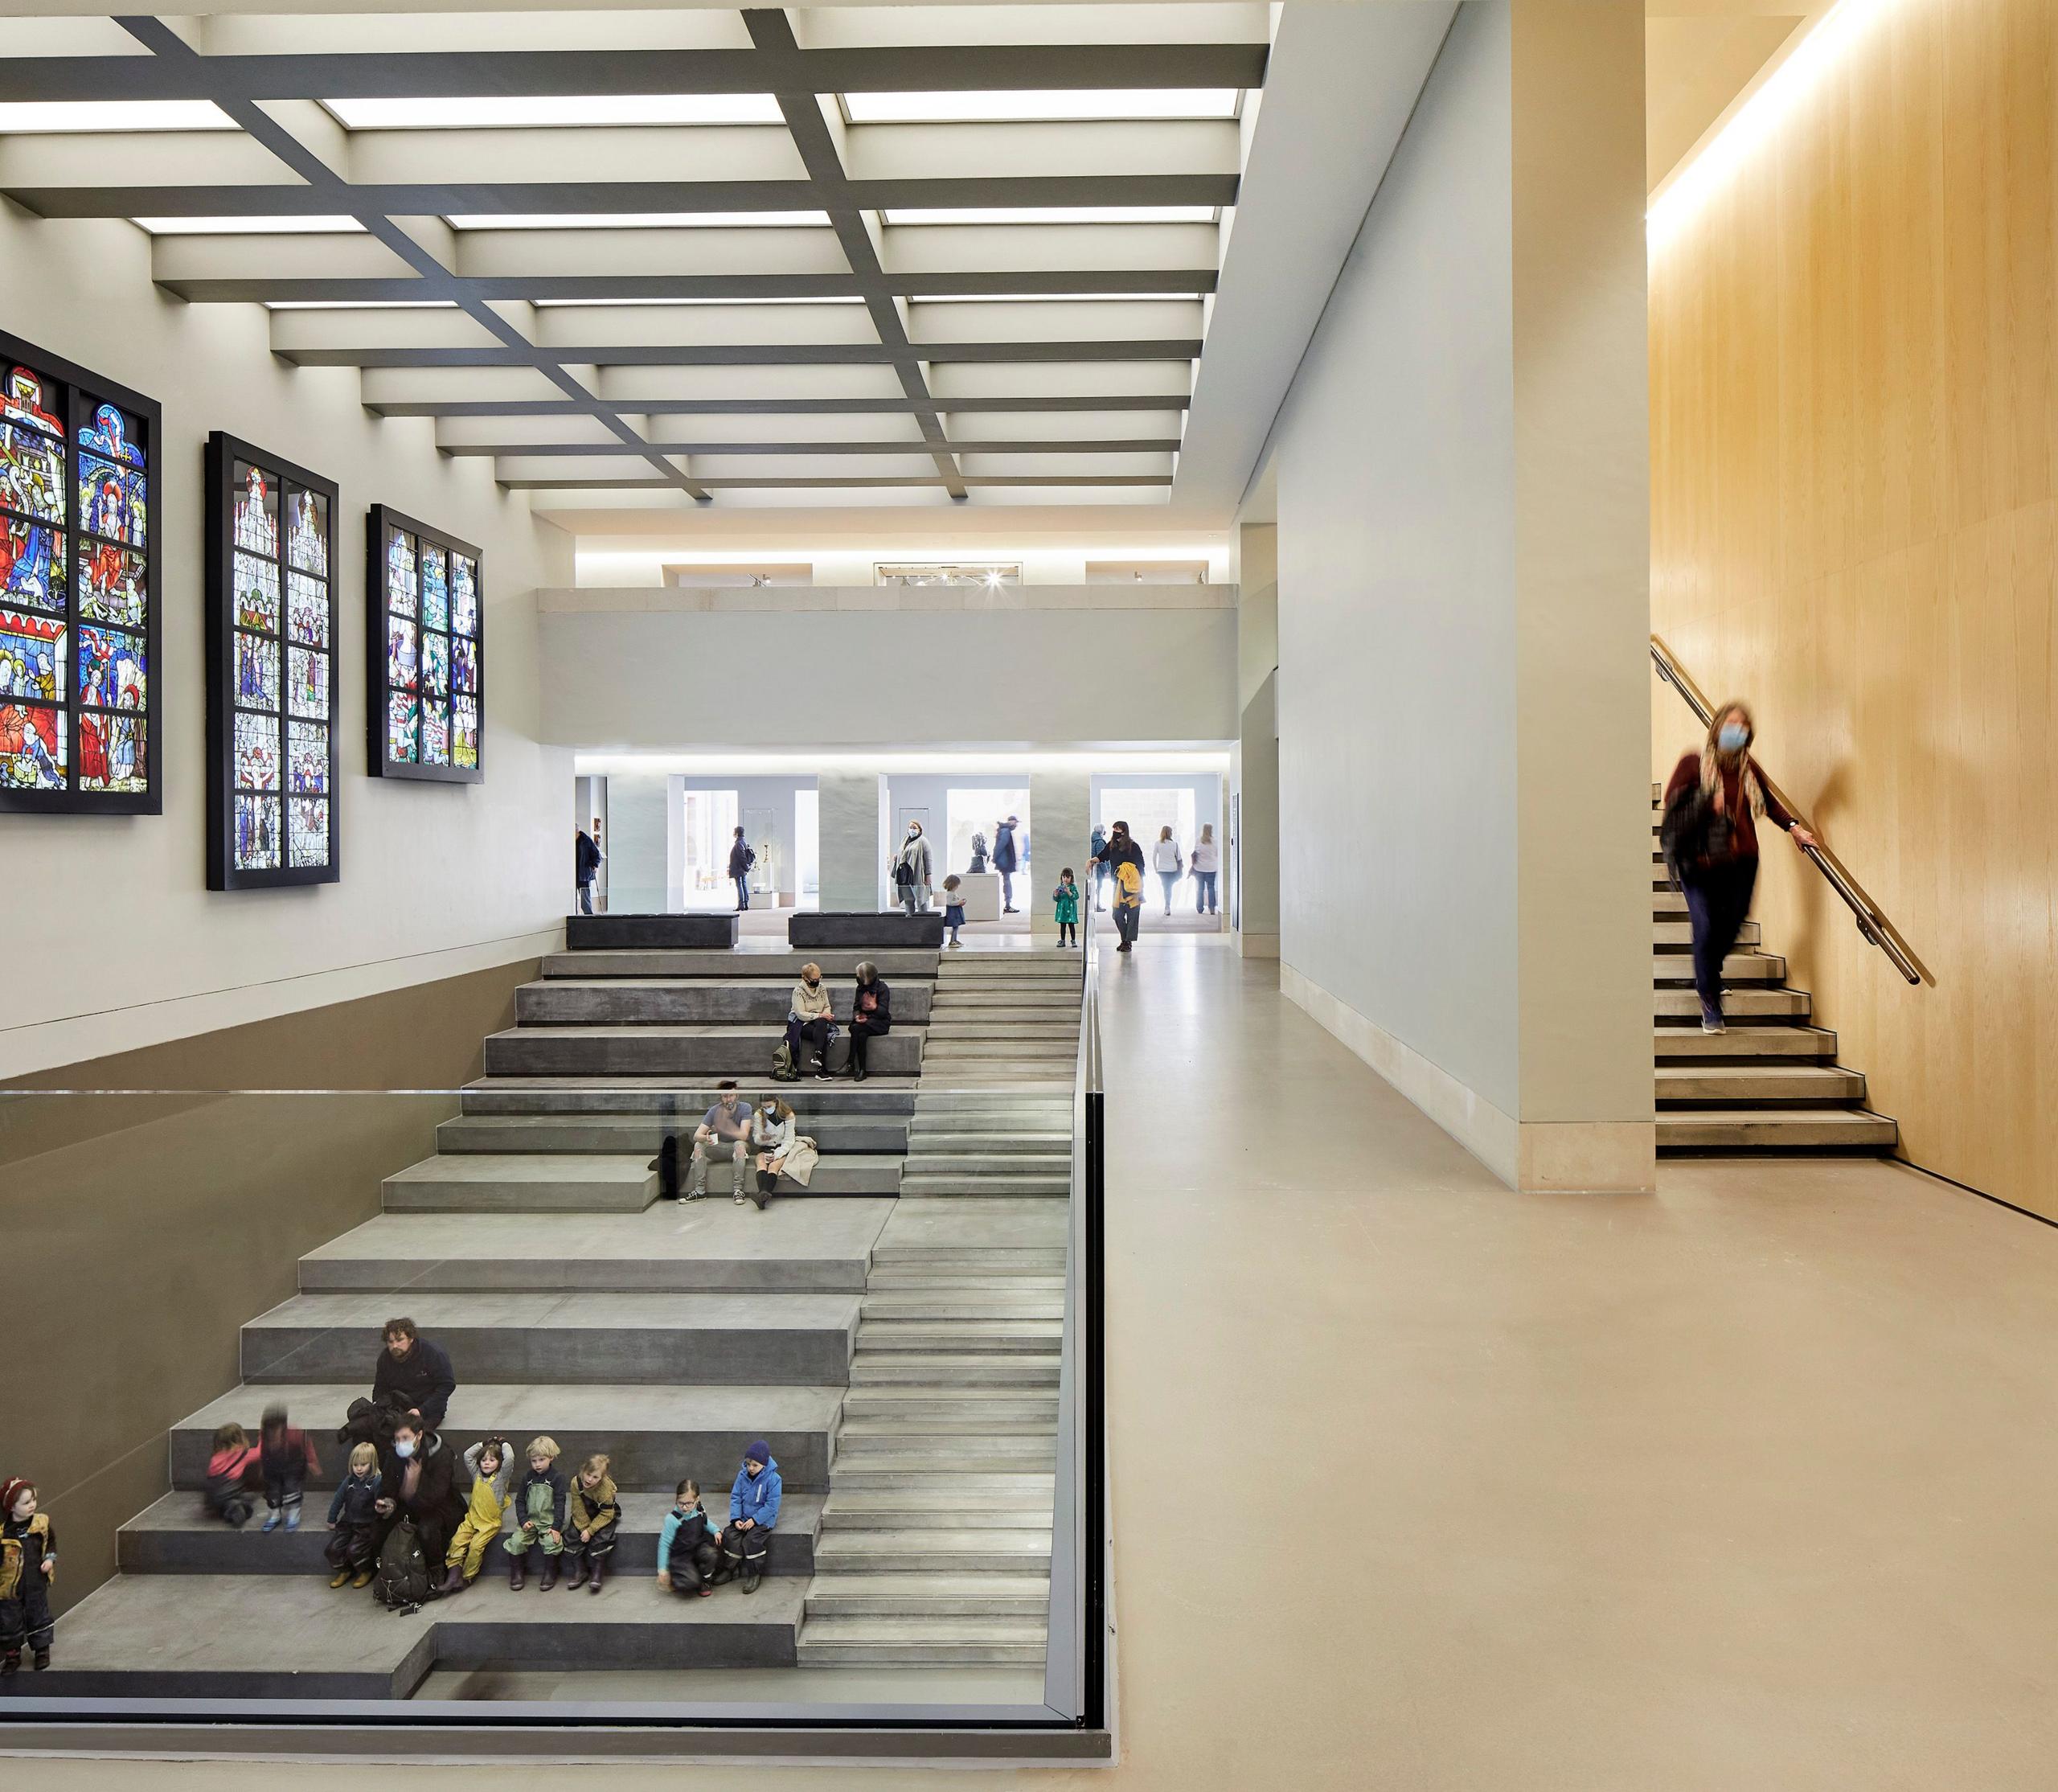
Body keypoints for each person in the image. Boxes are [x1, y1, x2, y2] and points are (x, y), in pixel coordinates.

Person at [1664, 701, 1816, 1033]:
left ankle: (1707, 970)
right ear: (1717, 726)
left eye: (1743, 726)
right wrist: (1706, 802)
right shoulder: (1694, 763)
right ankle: (1709, 1001)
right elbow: (1673, 805)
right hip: (1699, 861)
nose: (1737, 730)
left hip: (1741, 861)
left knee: (1731, 927)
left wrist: (1794, 828)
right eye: (1731, 723)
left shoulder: (1749, 768)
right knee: (1705, 928)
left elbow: (1770, 801)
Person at [373, 1413, 465, 1585]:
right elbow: (388, 1485)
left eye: (406, 1437)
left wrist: (413, 1487)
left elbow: (437, 1495)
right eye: (398, 1438)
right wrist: (387, 1502)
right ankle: (386, 1571)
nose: (401, 1443)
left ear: (419, 1435)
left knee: (427, 1530)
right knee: (379, 1527)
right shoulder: (394, 1455)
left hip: (440, 1507)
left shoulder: (440, 1454)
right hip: (406, 1504)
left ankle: (436, 1569)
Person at [437, 1436, 513, 1596]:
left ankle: (466, 1577)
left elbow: (510, 1458)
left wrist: (503, 1444)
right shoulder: (476, 1474)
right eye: (484, 1459)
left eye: (492, 1460)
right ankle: (453, 1575)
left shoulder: (500, 1478)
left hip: (489, 1522)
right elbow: (467, 1455)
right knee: (457, 1541)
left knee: (476, 1547)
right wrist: (484, 1444)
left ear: (499, 1463)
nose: (487, 1463)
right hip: (472, 1518)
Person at [0, 1478, 55, 1675]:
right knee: (9, 1620)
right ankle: (12, 1655)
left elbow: (50, 1542)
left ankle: (42, 1650)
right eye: (26, 1503)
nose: (32, 1505)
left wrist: (49, 1559)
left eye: (33, 1500)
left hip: (35, 1581)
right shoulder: (4, 1534)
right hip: (10, 1587)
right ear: (12, 1507)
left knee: (38, 1615)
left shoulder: (41, 1523)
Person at [506, 1435, 569, 1591]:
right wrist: (523, 1520)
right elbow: (520, 1501)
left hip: (549, 1522)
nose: (537, 1465)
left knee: (551, 1543)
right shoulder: (528, 1478)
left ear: (551, 1458)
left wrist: (556, 1527)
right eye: (534, 1461)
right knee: (516, 1541)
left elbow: (561, 1503)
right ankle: (517, 1572)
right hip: (530, 1521)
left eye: (541, 1460)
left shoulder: (557, 1478)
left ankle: (550, 1572)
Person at [372, 1317, 457, 1433]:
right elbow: (380, 1388)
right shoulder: (385, 1358)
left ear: (411, 1338)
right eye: (390, 1342)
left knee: (411, 1434)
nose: (395, 1346)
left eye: (399, 1340)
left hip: (428, 1409)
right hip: (399, 1408)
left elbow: (447, 1385)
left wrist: (421, 1410)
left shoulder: (432, 1353)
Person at [720, 1439, 782, 1595]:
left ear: (764, 1463)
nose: (751, 1468)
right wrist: (736, 1519)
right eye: (748, 1464)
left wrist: (755, 1520)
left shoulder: (774, 1480)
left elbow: (771, 1505)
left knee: (752, 1540)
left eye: (755, 1465)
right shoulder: (742, 1476)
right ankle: (730, 1569)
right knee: (730, 1535)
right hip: (743, 1518)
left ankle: (754, 1574)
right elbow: (736, 1497)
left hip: (762, 1521)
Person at [326, 1441, 383, 1589]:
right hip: (348, 1522)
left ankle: (365, 1571)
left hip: (366, 1525)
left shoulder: (377, 1481)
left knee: (355, 1550)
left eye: (363, 1464)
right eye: (355, 1465)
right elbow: (338, 1500)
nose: (358, 1468)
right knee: (333, 1548)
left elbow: (381, 1502)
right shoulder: (349, 1481)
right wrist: (332, 1519)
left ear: (372, 1463)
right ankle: (344, 1570)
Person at [258, 1401, 321, 1533]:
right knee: (272, 1490)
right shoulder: (264, 1436)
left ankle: (294, 1512)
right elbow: (261, 1451)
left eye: (276, 1429)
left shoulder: (294, 1434)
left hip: (292, 1466)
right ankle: (275, 1513)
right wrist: (261, 1467)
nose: (273, 1433)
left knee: (291, 1488)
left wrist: (312, 1462)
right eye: (270, 1429)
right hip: (272, 1468)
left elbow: (307, 1445)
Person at [564, 1454, 621, 1595]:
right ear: (583, 1470)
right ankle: (580, 1571)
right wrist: (584, 1528)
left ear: (602, 1478)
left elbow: (607, 1514)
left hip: (602, 1515)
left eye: (595, 1477)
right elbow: (577, 1507)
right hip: (583, 1513)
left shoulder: (605, 1489)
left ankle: (597, 1573)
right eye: (588, 1474)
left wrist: (591, 1530)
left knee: (602, 1539)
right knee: (571, 1535)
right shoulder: (576, 1483)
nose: (589, 1479)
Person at [656, 1478, 721, 1597]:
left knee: (711, 1554)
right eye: (681, 1503)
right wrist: (662, 1569)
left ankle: (705, 1580)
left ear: (697, 1499)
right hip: (681, 1556)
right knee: (690, 1582)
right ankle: (679, 1576)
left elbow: (706, 1523)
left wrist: (716, 1531)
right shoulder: (672, 1519)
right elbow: (664, 1544)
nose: (685, 1507)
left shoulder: (699, 1510)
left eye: (689, 1503)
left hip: (697, 1548)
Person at [689, 1080, 755, 1197]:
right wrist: (706, 1138)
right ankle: (699, 1191)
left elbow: (744, 1135)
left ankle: (738, 1190)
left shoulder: (745, 1107)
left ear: (737, 1095)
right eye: (725, 1096)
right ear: (720, 1097)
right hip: (719, 1147)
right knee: (698, 1145)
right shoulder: (714, 1110)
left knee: (739, 1144)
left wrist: (724, 1126)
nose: (728, 1099)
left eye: (731, 1095)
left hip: (739, 1148)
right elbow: (696, 1135)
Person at [1092, 822, 1146, 952]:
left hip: (1132, 885)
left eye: (1117, 829)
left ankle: (1127, 942)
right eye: (1114, 829)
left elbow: (1141, 865)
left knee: (1133, 914)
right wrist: (1091, 861)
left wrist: (1141, 886)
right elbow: (1101, 857)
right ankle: (1125, 939)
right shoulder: (1111, 846)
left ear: (1124, 831)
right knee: (1117, 914)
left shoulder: (1134, 847)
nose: (1115, 831)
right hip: (1117, 884)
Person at [783, 966, 837, 1084]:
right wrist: (820, 1015)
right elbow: (801, 1014)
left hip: (818, 1022)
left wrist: (826, 1015)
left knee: (821, 1025)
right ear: (805, 978)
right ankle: (821, 1070)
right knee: (821, 1032)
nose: (817, 981)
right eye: (814, 979)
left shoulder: (822, 988)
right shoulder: (798, 992)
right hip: (800, 1023)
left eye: (819, 978)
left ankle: (818, 1054)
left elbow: (827, 1006)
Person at [206, 1422, 261, 1527]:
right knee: (247, 1497)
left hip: (212, 1497)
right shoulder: (243, 1454)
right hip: (229, 1493)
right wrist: (263, 1436)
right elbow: (259, 1453)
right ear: (241, 1439)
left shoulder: (215, 1458)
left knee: (246, 1496)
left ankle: (228, 1508)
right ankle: (235, 1508)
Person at [748, 1095, 796, 1208]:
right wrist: (762, 1138)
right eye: (764, 1107)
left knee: (773, 1166)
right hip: (766, 1147)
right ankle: (763, 1196)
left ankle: (762, 1197)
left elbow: (789, 1140)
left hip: (782, 1148)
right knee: (761, 1163)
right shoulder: (759, 1115)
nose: (766, 1109)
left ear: (776, 1102)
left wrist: (777, 1154)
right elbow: (756, 1138)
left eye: (769, 1106)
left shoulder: (788, 1115)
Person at [847, 961, 891, 1081]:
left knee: (856, 1029)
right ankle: (862, 1070)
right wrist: (857, 1016)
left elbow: (884, 1013)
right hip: (864, 1023)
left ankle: (850, 1061)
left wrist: (874, 1007)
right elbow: (856, 1007)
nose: (857, 978)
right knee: (860, 1034)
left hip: (880, 1023)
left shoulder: (882, 988)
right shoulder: (860, 988)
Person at [891, 820, 932, 917]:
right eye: (910, 827)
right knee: (908, 899)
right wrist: (898, 857)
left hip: (917, 873)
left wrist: (928, 874)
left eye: (914, 828)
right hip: (904, 874)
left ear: (919, 829)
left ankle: (924, 920)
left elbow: (928, 859)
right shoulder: (905, 840)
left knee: (921, 899)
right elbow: (903, 852)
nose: (912, 830)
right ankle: (910, 920)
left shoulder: (923, 841)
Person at [991, 814, 1021, 912]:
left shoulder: (1004, 830)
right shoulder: (1006, 831)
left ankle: (1007, 904)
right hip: (1005, 862)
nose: (1016, 825)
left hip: (1004, 861)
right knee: (1007, 882)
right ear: (1012, 822)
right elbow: (1001, 845)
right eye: (1016, 822)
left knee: (1006, 882)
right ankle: (1008, 905)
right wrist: (995, 857)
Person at [1112, 857, 1143, 951]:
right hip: (1123, 896)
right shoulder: (1114, 849)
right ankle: (1125, 941)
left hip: (1132, 897)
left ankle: (1127, 942)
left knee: (1129, 920)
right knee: (1120, 917)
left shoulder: (1130, 869)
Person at [1151, 826, 1183, 915]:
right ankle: (1167, 905)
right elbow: (1179, 858)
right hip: (1173, 869)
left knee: (1166, 887)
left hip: (1162, 870)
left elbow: (1154, 857)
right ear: (1171, 833)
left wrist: (1156, 868)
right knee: (1169, 887)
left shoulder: (1157, 843)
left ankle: (1167, 906)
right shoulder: (1175, 844)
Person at [1191, 823, 1220, 916]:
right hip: (1211, 868)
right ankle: (1212, 908)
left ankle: (1200, 908)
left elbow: (1196, 852)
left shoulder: (1199, 840)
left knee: (1200, 888)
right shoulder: (1215, 841)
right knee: (1211, 887)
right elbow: (1217, 854)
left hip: (1199, 868)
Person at [574, 826, 601, 915]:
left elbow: (597, 855)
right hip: (571, 875)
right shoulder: (568, 840)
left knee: (585, 900)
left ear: (577, 831)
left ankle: (589, 918)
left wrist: (595, 865)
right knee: (571, 900)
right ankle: (574, 917)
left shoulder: (586, 840)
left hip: (583, 874)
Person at [728, 826, 754, 912]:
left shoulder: (739, 843)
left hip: (739, 868)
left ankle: (741, 904)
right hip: (742, 868)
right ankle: (745, 903)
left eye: (734, 832)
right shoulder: (743, 842)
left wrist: (746, 867)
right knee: (743, 884)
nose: (733, 834)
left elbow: (742, 857)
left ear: (737, 833)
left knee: (740, 885)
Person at [1053, 868, 1080, 947]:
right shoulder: (1060, 887)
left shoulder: (1073, 887)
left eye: (1068, 877)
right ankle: (1062, 940)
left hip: (1070, 910)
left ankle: (1073, 940)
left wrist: (1068, 892)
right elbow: (1057, 900)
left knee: (1071, 925)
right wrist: (1055, 895)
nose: (1065, 879)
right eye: (1064, 877)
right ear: (1061, 878)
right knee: (1063, 925)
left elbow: (1076, 896)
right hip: (1062, 911)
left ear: (1071, 878)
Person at [941, 873, 965, 947]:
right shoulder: (950, 894)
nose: (957, 887)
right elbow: (950, 903)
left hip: (955, 911)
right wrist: (959, 902)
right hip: (953, 912)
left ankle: (954, 940)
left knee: (956, 927)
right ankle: (952, 941)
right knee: (955, 926)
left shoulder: (952, 893)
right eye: (956, 885)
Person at [1089, 824, 1109, 911]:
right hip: (1099, 870)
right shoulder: (1100, 842)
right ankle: (1098, 905)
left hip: (1093, 869)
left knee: (1094, 888)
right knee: (1099, 888)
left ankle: (1095, 905)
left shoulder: (1092, 841)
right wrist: (1106, 871)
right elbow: (1101, 858)